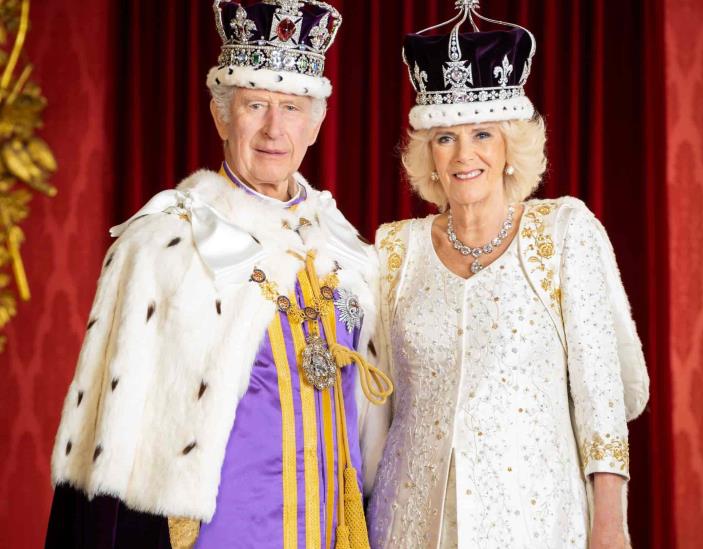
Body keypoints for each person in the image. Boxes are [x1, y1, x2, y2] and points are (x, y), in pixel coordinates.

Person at [45, 2, 391, 548]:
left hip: (330, 529)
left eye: (293, 107)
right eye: (256, 104)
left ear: (316, 122)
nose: (275, 128)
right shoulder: (168, 245)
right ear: (222, 115)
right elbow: (112, 453)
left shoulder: (347, 253)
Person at [366, 3, 649, 548]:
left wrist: (610, 523)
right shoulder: (393, 251)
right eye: (445, 138)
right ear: (428, 153)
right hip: (410, 524)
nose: (463, 155)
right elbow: (370, 403)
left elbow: (601, 394)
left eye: (483, 135)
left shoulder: (564, 234)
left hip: (535, 523)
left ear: (510, 149)